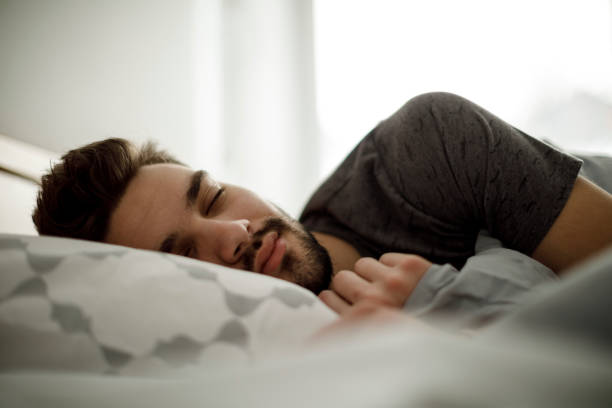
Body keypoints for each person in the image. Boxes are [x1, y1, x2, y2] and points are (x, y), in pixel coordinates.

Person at [32, 92, 612, 322]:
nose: (234, 230)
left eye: (212, 198)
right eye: (185, 255)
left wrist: (456, 304)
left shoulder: (424, 147)